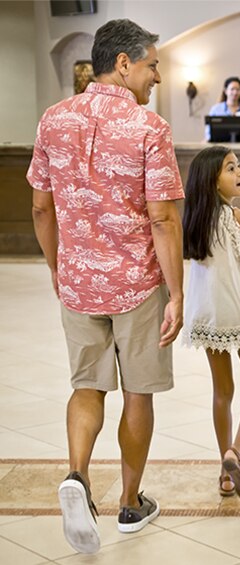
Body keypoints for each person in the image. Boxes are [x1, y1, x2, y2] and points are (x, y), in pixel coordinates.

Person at [27, 19, 184, 554]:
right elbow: (163, 219)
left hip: (78, 281)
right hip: (137, 284)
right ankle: (131, 501)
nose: (156, 76)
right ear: (124, 64)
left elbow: (40, 206)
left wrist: (57, 266)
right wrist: (178, 293)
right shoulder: (149, 128)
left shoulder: (53, 121)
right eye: (152, 65)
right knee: (137, 393)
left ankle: (76, 475)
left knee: (87, 387)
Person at [182, 146, 240, 502]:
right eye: (231, 168)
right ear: (212, 180)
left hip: (207, 314)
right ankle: (237, 452)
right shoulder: (237, 218)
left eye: (239, 166)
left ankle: (225, 473)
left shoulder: (195, 220)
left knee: (222, 392)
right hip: (238, 310)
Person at [205, 76, 240, 141]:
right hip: (220, 147)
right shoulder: (216, 110)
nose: (235, 92)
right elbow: (208, 132)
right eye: (232, 89)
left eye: (238, 89)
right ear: (225, 91)